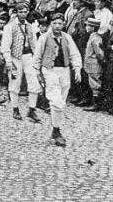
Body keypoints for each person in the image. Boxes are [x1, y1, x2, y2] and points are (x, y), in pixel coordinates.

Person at [32, 13, 82, 147]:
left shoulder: (67, 38)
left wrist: (77, 69)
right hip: (49, 70)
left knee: (61, 100)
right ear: (50, 25)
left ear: (64, 25)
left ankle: (55, 129)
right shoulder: (44, 38)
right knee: (56, 101)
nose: (57, 26)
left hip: (64, 71)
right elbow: (37, 56)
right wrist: (37, 72)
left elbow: (74, 54)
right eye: (54, 23)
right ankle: (57, 131)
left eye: (60, 23)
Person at [0, 0, 41, 122]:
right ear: (16, 12)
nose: (23, 14)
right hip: (15, 57)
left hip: (28, 57)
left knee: (34, 82)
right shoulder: (10, 27)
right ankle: (15, 109)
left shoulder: (29, 26)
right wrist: (8, 61)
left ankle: (32, 109)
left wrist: (37, 59)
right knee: (15, 83)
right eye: (21, 12)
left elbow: (34, 44)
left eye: (25, 12)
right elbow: (5, 46)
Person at [82, 17, 105, 112]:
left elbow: (99, 53)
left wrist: (101, 60)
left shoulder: (95, 38)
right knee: (92, 83)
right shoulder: (92, 37)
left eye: (88, 25)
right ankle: (93, 103)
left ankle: (96, 105)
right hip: (90, 64)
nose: (86, 27)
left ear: (93, 27)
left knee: (95, 84)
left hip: (94, 65)